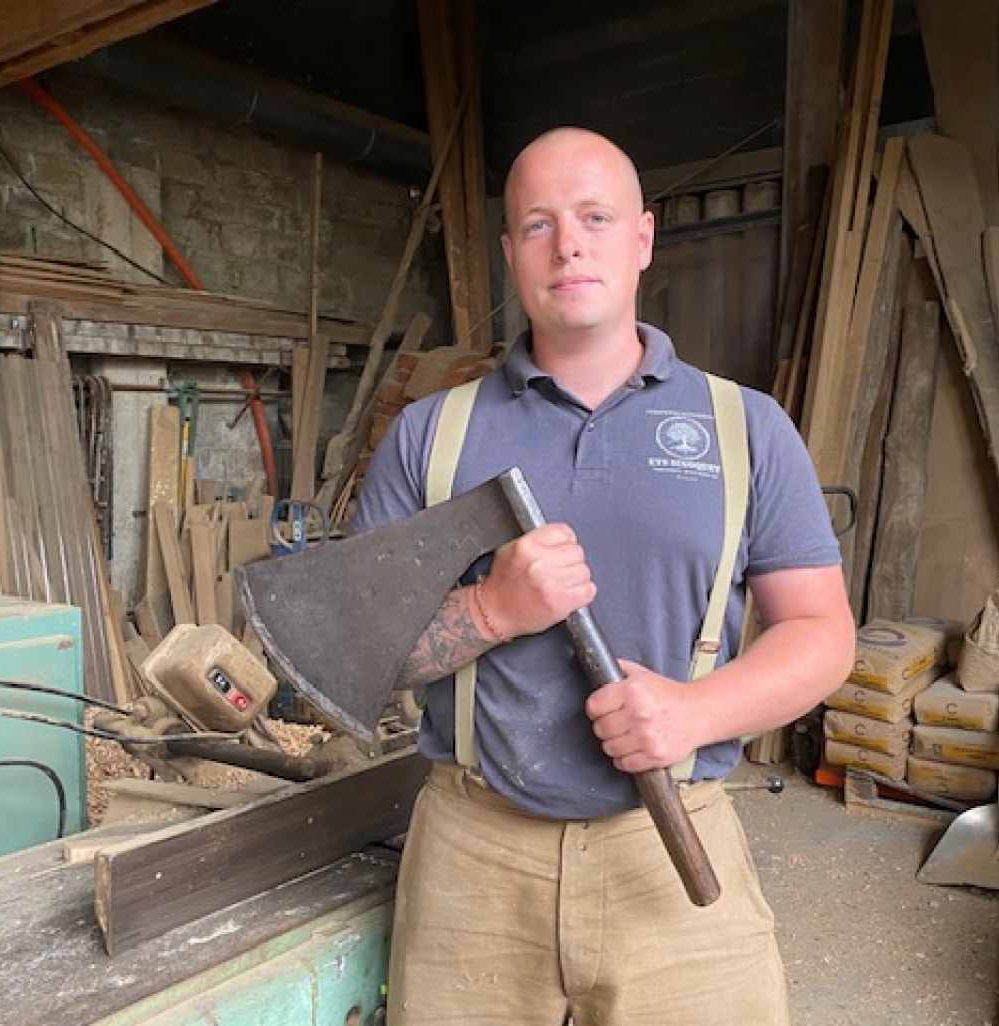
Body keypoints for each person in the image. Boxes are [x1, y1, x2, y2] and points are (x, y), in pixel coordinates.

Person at [353, 126, 855, 1025]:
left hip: (673, 848)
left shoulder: (747, 430)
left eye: (594, 216)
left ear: (643, 239)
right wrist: (493, 609)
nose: (569, 243)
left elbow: (821, 634)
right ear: (510, 254)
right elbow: (362, 649)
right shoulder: (432, 437)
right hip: (473, 862)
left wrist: (697, 713)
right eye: (538, 224)